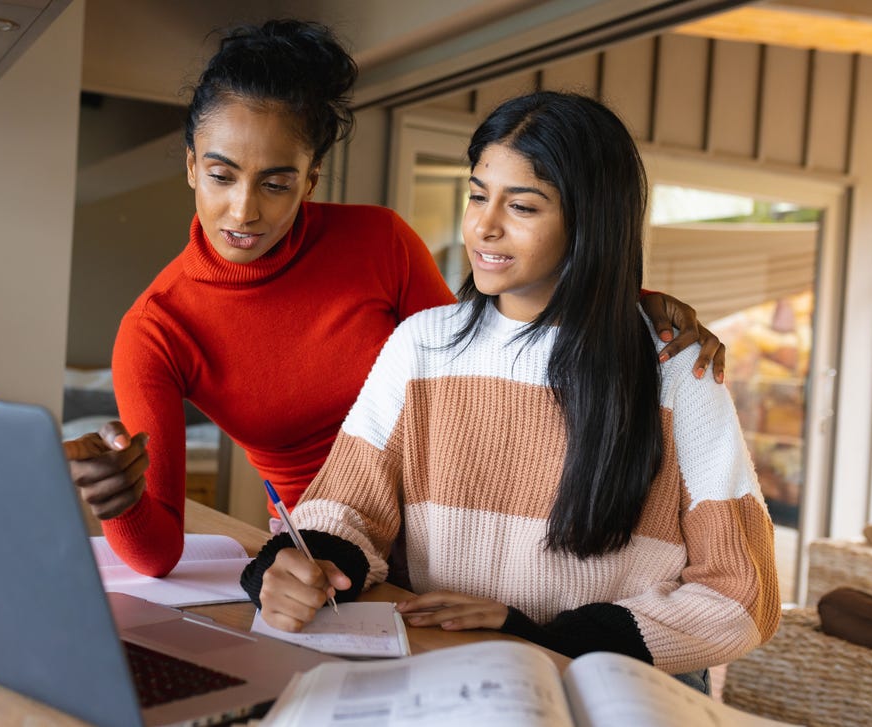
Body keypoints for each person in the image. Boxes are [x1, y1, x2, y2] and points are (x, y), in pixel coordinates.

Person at [65, 20, 725, 578]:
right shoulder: (156, 329)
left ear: (310, 179)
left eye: (275, 182)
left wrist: (627, 300)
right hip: (331, 555)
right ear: (190, 166)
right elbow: (156, 554)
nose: (243, 210)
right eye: (220, 174)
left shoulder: (378, 241)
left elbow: (480, 350)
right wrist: (120, 500)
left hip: (457, 533)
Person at [239, 91, 780, 691]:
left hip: (611, 685)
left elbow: (739, 594)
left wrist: (539, 637)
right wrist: (305, 564)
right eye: (477, 194)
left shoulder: (676, 366)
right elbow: (348, 509)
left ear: (590, 219)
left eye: (521, 206)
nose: (483, 225)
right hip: (445, 671)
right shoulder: (423, 344)